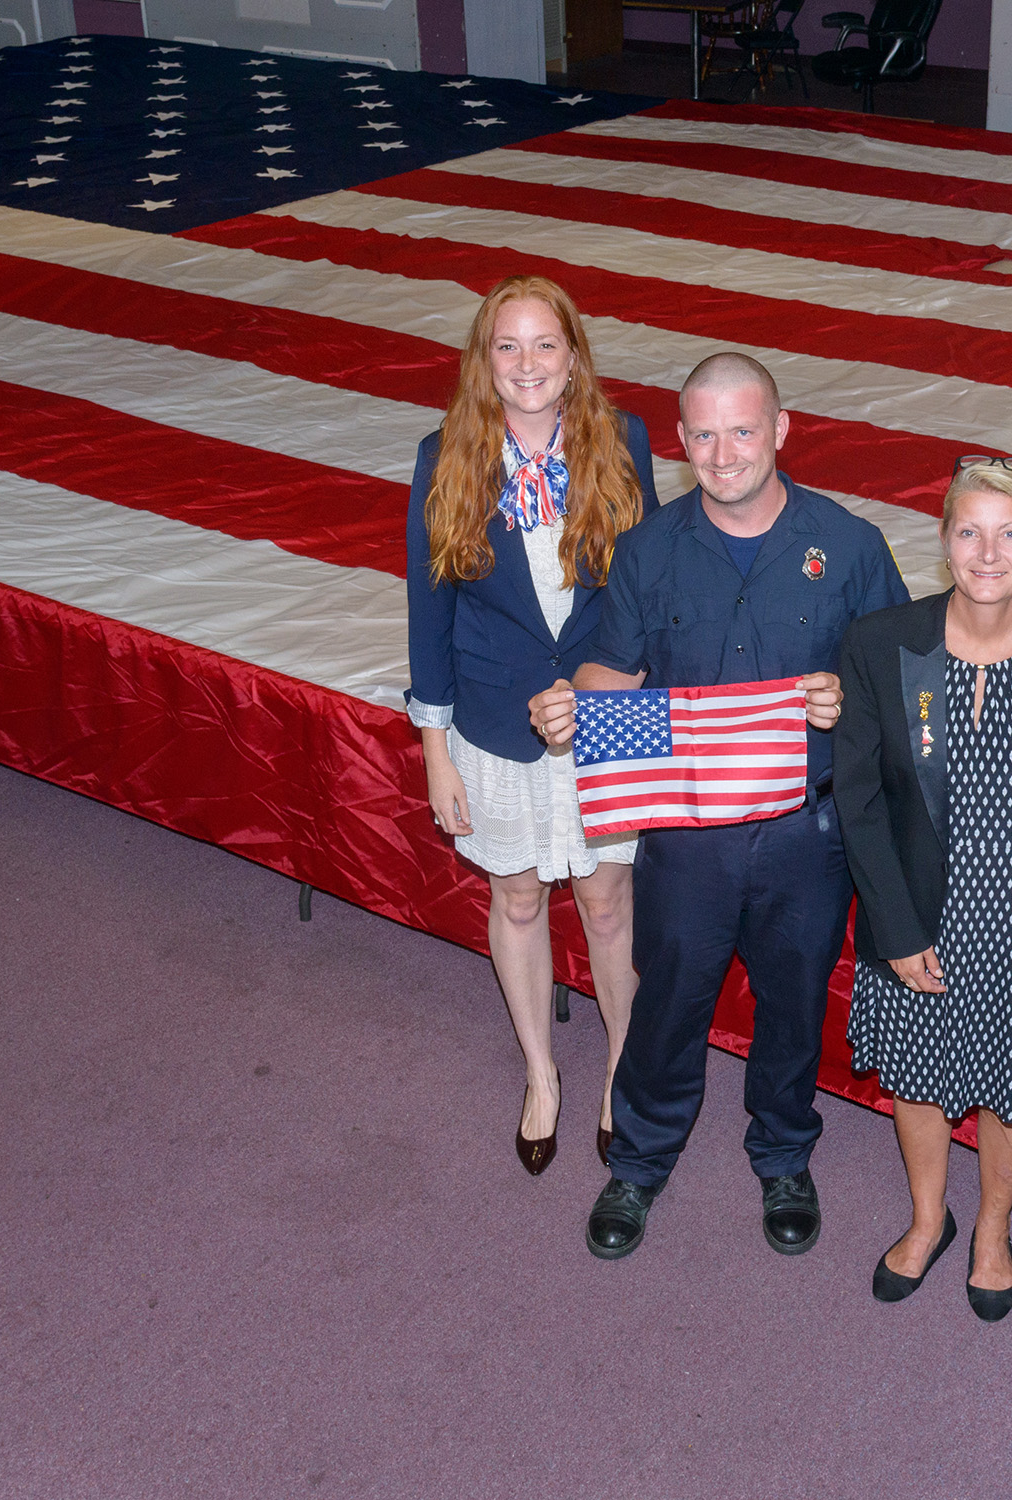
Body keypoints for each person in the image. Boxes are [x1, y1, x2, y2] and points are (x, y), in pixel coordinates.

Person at [530, 352, 908, 1260]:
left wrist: (847, 701)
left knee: (791, 1001)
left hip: (804, 835)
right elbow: (611, 668)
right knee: (669, 1003)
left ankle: (782, 1150)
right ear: (680, 440)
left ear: (782, 429)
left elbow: (901, 684)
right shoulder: (649, 549)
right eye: (703, 432)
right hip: (687, 836)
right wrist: (572, 705)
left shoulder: (850, 546)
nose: (724, 451)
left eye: (744, 429)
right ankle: (641, 1159)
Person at [834, 456, 1012, 1321]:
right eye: (969, 531)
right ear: (943, 542)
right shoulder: (880, 644)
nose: (988, 552)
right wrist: (892, 928)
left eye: (1009, 533)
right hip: (920, 913)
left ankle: (993, 1229)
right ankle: (929, 1218)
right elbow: (856, 801)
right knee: (920, 1079)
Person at [405, 275, 657, 1179]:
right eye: (505, 346)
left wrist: (619, 695)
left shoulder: (623, 443)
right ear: (484, 362)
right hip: (493, 727)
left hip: (608, 714)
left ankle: (622, 1071)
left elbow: (648, 591)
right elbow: (427, 621)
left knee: (608, 901)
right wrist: (436, 756)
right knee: (516, 898)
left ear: (575, 355)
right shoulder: (444, 458)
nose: (526, 364)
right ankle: (542, 1075)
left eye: (543, 344)